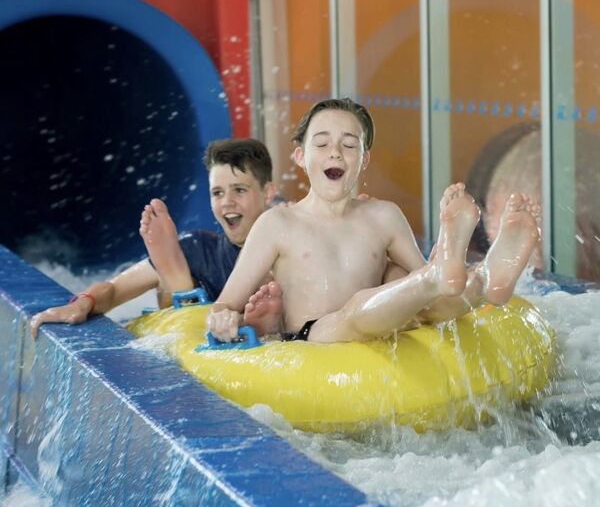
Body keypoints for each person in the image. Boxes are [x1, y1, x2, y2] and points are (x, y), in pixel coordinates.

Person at [201, 98, 541, 344]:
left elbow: (427, 285)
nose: (335, 152)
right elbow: (227, 301)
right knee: (354, 314)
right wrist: (223, 315)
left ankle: (489, 276)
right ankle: (473, 275)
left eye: (349, 145)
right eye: (322, 143)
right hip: (314, 337)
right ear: (301, 156)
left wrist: (440, 273)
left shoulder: (384, 216)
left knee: (433, 297)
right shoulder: (278, 224)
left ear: (363, 160)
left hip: (386, 324)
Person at [30, 138, 276, 337]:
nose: (226, 203)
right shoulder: (198, 248)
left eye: (239, 190)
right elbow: (114, 289)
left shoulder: (288, 245)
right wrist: (82, 303)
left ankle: (196, 296)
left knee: (272, 301)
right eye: (217, 193)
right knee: (171, 283)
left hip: (244, 336)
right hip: (187, 333)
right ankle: (179, 286)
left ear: (268, 193)